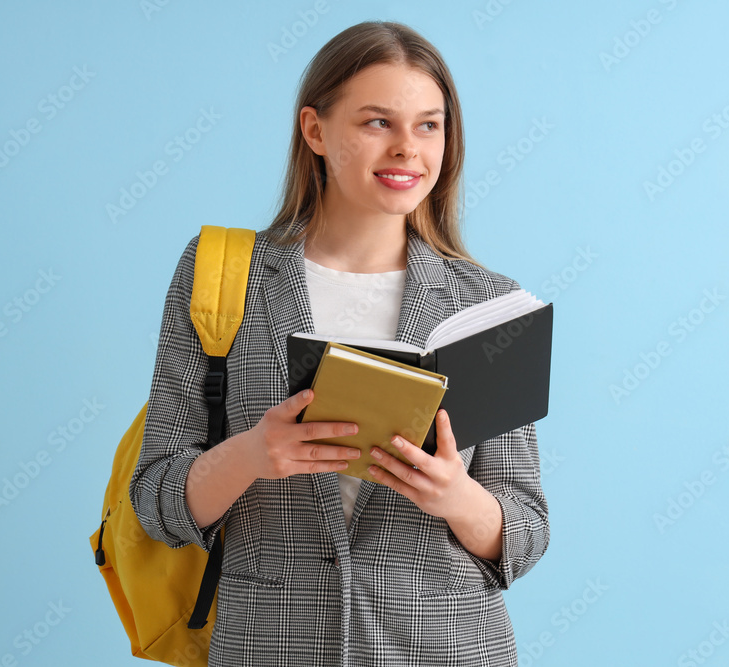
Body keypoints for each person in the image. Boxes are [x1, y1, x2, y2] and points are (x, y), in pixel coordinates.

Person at [130, 20, 549, 666]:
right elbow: (156, 497)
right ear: (315, 131)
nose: (409, 149)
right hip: (269, 645)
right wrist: (251, 454)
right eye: (378, 122)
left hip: (448, 646)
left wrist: (454, 495)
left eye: (429, 125)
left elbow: (526, 528)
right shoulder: (221, 277)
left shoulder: (488, 303)